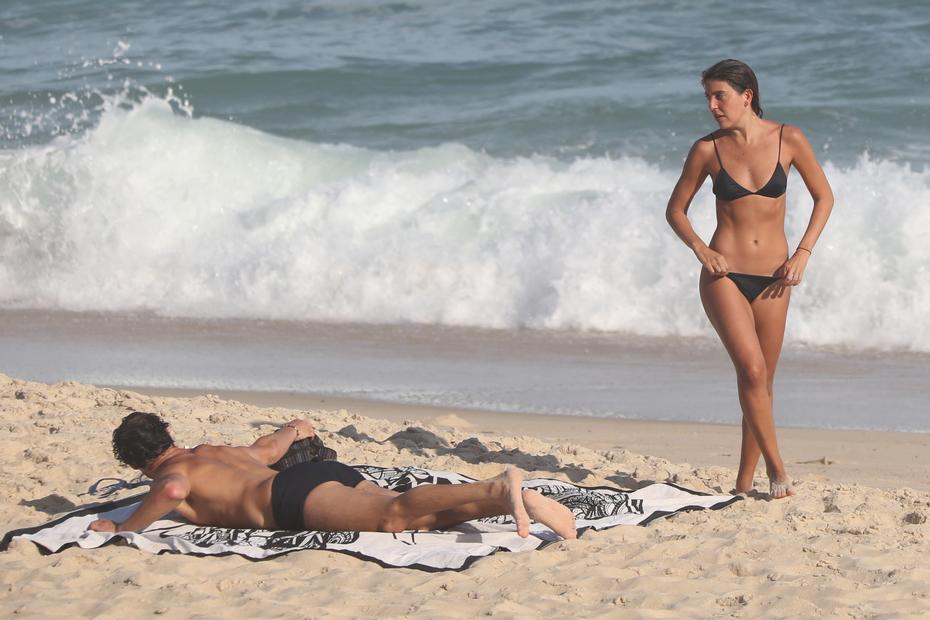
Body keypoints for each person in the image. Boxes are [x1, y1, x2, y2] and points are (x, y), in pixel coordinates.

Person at [665, 59, 834, 499]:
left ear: (746, 95)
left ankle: (742, 484)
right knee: (752, 370)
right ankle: (779, 472)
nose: (712, 105)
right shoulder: (707, 149)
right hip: (725, 276)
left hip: (777, 277)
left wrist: (803, 253)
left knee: (760, 384)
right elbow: (675, 210)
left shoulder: (789, 139)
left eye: (719, 95)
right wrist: (703, 250)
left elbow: (824, 197)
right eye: (707, 97)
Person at [88, 411, 577, 538]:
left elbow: (172, 489)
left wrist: (122, 526)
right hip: (321, 470)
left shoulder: (170, 475)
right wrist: (294, 427)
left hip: (290, 499)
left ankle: (496, 485)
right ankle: (514, 502)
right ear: (169, 431)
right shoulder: (214, 451)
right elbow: (273, 445)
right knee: (414, 521)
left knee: (393, 515)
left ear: (136, 462)